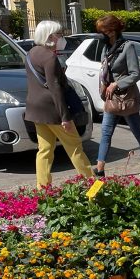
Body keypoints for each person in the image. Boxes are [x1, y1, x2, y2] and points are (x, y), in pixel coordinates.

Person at [25, 19, 93, 188]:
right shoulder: (49, 57)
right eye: (59, 34)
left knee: (45, 149)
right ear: (50, 36)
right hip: (53, 110)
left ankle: (42, 187)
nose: (62, 38)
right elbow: (55, 88)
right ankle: (91, 181)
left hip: (35, 109)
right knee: (74, 145)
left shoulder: (32, 52)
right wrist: (65, 117)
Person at [94, 14, 140, 178]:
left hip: (127, 99)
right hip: (111, 99)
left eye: (103, 31)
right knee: (105, 133)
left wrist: (116, 84)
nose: (101, 35)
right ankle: (100, 169)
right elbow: (104, 70)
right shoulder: (105, 48)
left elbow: (135, 74)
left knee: (137, 132)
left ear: (112, 31)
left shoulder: (128, 46)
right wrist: (104, 85)